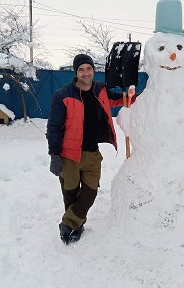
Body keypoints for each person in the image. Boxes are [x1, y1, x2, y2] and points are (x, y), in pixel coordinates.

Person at [47, 54, 135, 245]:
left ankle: (68, 223)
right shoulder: (63, 95)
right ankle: (76, 226)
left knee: (90, 191)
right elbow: (53, 126)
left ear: (93, 70)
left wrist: (131, 96)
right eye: (81, 70)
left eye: (89, 69)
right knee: (70, 192)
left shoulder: (99, 89)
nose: (86, 73)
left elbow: (116, 100)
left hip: (92, 153)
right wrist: (54, 155)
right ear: (76, 72)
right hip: (69, 154)